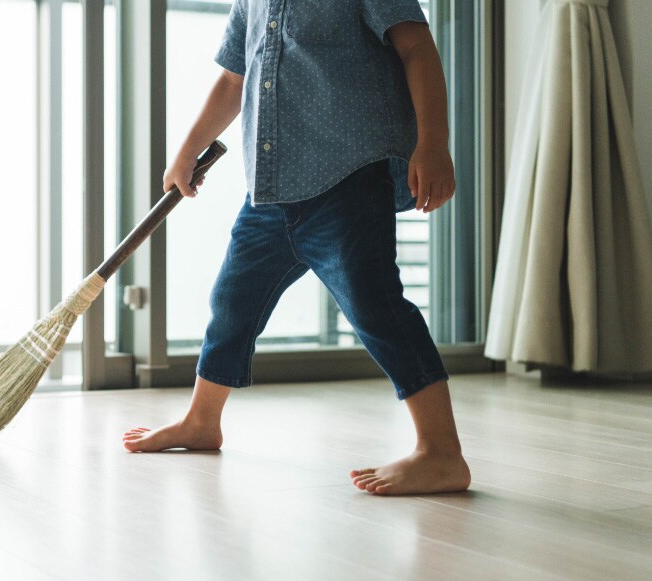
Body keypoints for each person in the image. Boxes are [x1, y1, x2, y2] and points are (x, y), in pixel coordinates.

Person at [122, 0, 471, 495]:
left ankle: (441, 451)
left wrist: (432, 143)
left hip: (349, 180)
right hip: (270, 193)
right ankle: (202, 421)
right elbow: (231, 82)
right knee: (232, 301)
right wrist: (186, 149)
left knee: (376, 307)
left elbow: (417, 48)